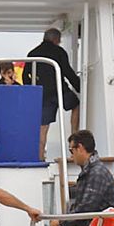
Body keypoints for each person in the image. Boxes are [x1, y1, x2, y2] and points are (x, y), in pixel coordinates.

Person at [28, 28, 80, 157]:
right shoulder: (59, 51)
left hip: (43, 94)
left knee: (43, 127)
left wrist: (33, 92)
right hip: (59, 90)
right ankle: (74, 137)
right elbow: (67, 71)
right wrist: (79, 87)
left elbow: (25, 75)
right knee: (76, 105)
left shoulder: (33, 53)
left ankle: (40, 157)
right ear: (56, 39)